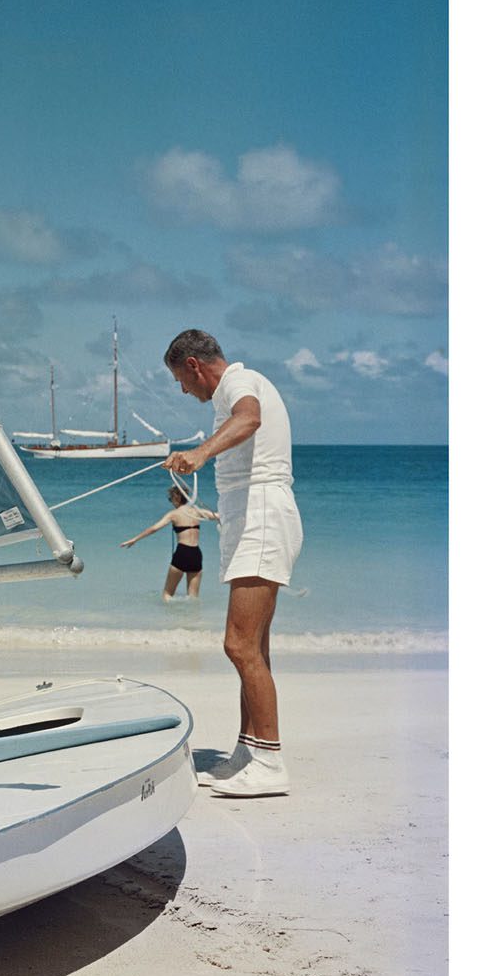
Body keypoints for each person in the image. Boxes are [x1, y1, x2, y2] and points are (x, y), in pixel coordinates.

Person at [162, 329, 303, 797]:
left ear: (194, 366)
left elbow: (250, 418)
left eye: (181, 381)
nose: (184, 391)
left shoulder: (239, 384)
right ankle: (249, 752)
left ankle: (270, 761)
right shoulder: (231, 389)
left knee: (239, 645)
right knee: (253, 647)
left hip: (263, 516)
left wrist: (200, 452)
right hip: (253, 518)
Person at [120, 484, 219, 599]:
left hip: (182, 552)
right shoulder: (197, 512)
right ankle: (193, 612)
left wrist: (135, 539)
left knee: (167, 594)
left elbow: (154, 528)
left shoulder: (174, 514)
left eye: (170, 499)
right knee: (193, 598)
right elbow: (219, 516)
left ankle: (168, 612)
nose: (171, 502)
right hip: (196, 554)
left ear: (177, 498)